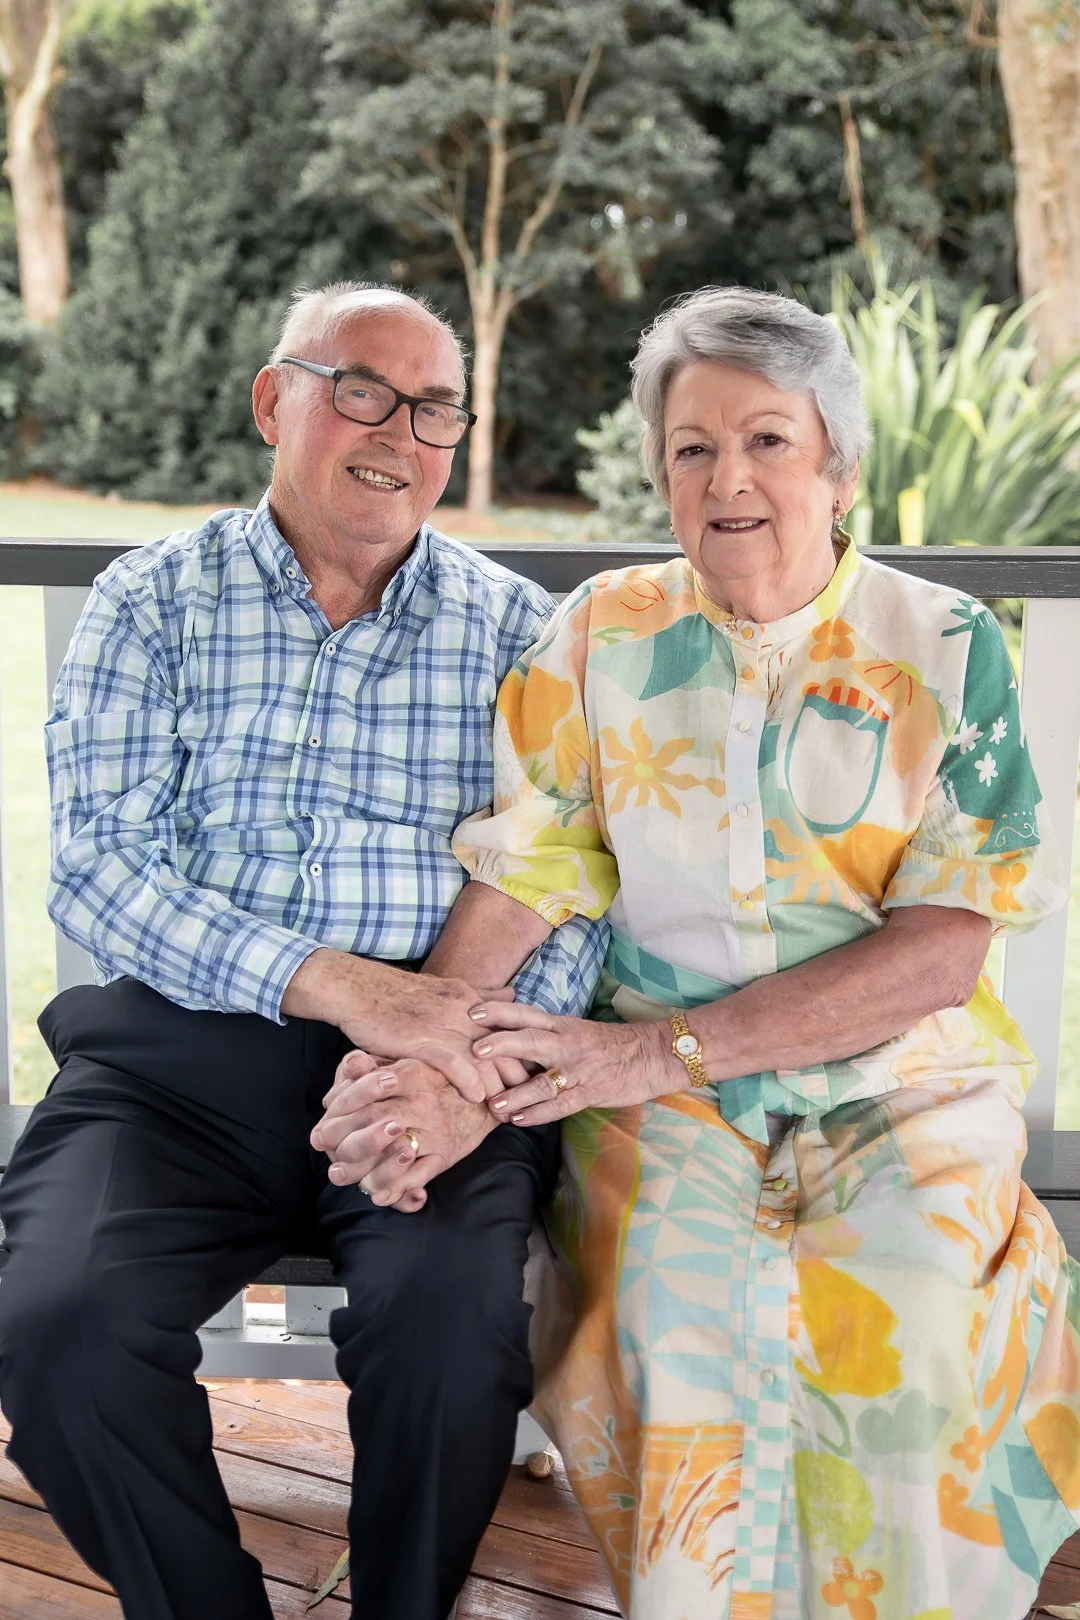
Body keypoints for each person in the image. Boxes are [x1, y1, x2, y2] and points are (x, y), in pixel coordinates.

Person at [318, 286, 1080, 1620]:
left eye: (769, 441)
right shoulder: (604, 633)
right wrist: (430, 1060)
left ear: (838, 462)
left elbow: (939, 955)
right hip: (653, 1108)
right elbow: (529, 874)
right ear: (661, 469)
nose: (729, 479)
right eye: (692, 447)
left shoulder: (951, 649)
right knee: (684, 1330)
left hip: (897, 1081)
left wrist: (658, 1049)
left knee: (900, 1323)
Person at [0, 281, 606, 1620]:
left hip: (434, 1085)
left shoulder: (523, 636)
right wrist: (338, 987)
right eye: (361, 389)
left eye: (435, 407)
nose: (400, 430)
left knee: (450, 1331)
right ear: (276, 401)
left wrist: (458, 1072)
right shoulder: (151, 601)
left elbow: (576, 889)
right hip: (171, 1074)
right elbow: (100, 863)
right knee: (56, 1328)